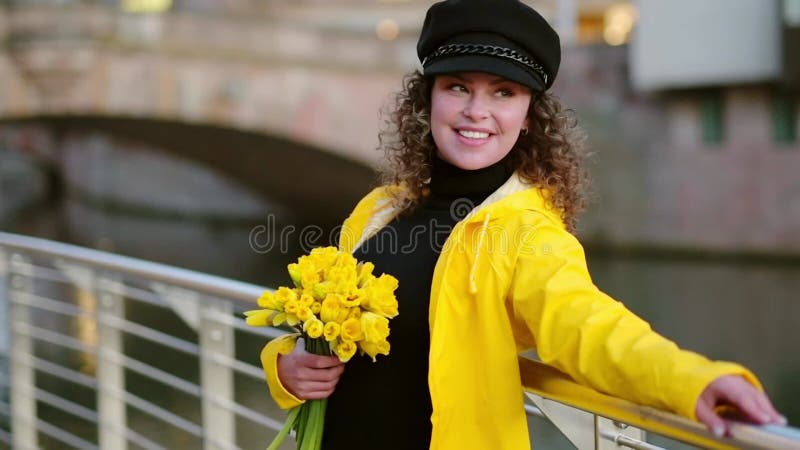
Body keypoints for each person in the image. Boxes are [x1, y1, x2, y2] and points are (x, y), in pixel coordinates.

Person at [259, 0, 786, 448]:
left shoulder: (528, 233)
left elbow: (590, 327)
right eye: (458, 87)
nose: (476, 111)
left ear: (529, 115)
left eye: (503, 92)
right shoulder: (378, 209)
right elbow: (316, 334)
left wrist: (692, 382)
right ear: (429, 99)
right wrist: (285, 365)